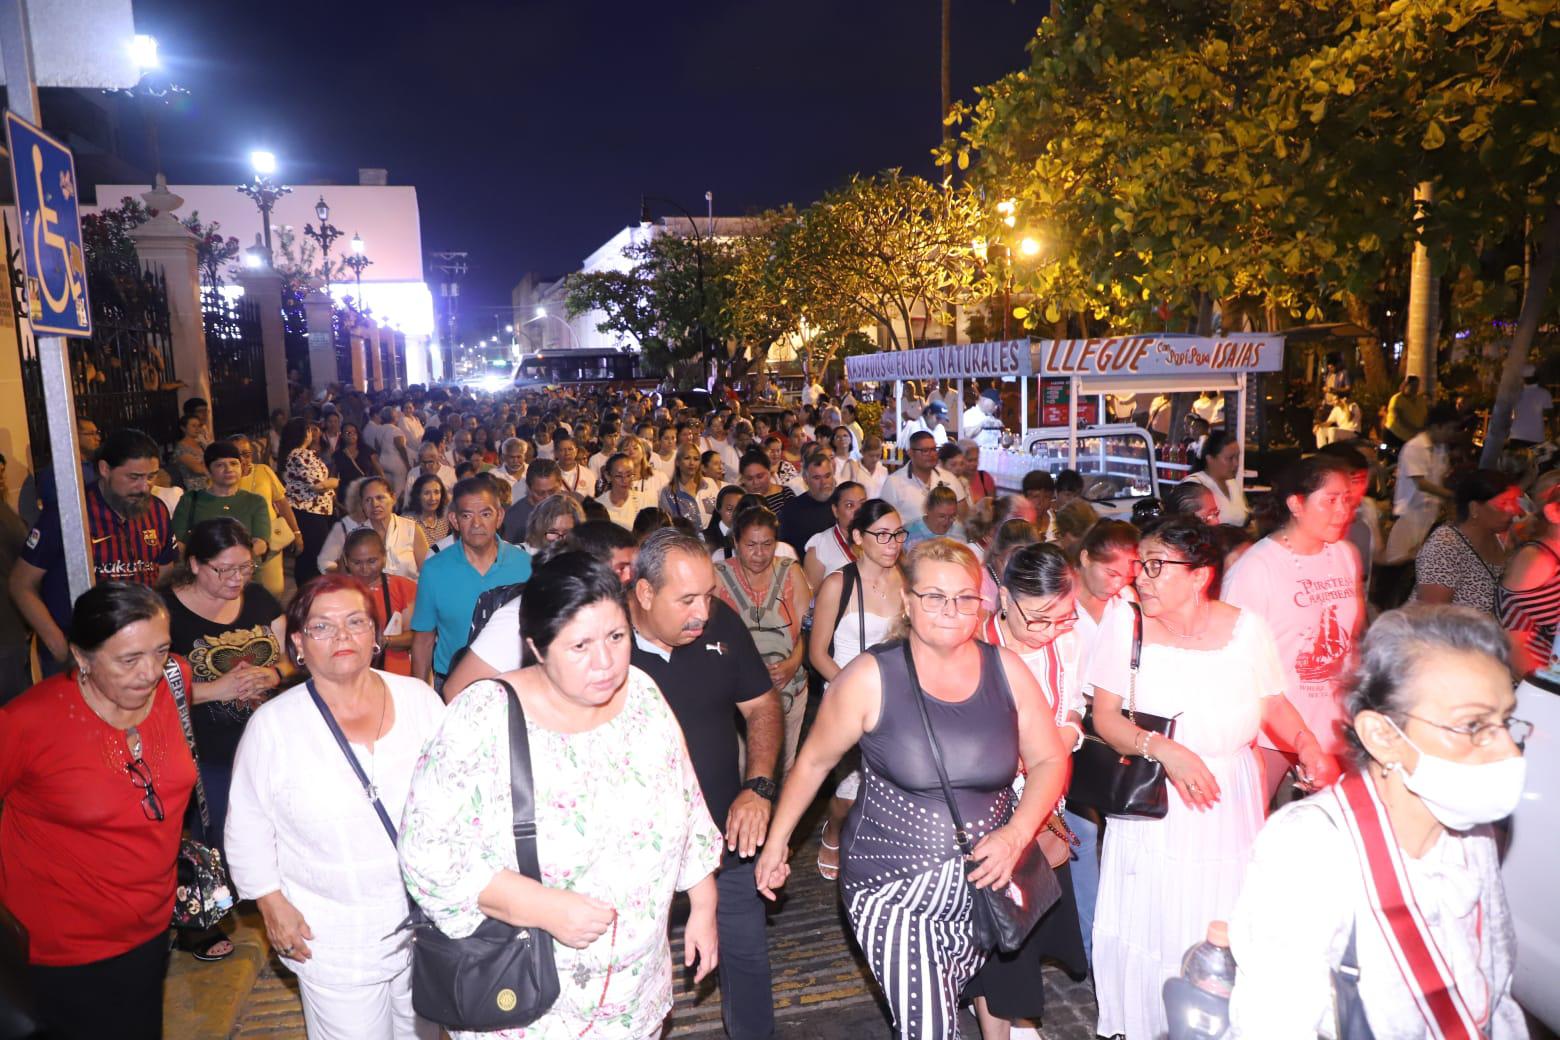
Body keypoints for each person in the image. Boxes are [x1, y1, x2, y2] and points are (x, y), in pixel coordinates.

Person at [755, 538, 1071, 1040]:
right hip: (892, 886)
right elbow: (813, 762)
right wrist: (776, 845)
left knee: (965, 1004)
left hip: (983, 887)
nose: (951, 610)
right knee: (929, 1027)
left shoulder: (1007, 670)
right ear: (907, 601)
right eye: (934, 596)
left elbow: (1050, 758)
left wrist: (1015, 836)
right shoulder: (869, 678)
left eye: (965, 597)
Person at [400, 552, 720, 1039]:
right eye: (579, 646)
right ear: (536, 646)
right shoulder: (482, 717)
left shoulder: (642, 695)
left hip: (635, 996)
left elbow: (687, 800)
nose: (605, 663)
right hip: (531, 1001)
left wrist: (703, 905)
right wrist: (542, 907)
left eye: (616, 637)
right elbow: (428, 855)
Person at [1227, 605, 1530, 1038]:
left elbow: (1495, 995)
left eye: (1505, 722)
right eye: (1473, 725)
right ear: (1383, 736)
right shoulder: (1310, 849)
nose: (1508, 751)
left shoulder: (1469, 831)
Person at [1087, 518, 1337, 1040]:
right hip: (1156, 797)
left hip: (1229, 797)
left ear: (1199, 576)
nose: (1143, 578)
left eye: (1157, 566)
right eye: (1142, 565)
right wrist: (1166, 750)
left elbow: (1272, 700)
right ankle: (1144, 1025)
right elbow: (1105, 717)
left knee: (1221, 913)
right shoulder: (1124, 621)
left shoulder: (1247, 628)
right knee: (1153, 918)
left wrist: (1307, 744)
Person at [226, 573, 445, 1040]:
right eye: (322, 627)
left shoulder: (421, 702)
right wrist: (270, 902)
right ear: (299, 644)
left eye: (355, 622)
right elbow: (246, 826)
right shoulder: (274, 727)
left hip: (425, 924)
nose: (342, 636)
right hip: (331, 930)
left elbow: (462, 800)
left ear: (375, 635)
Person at [0, 582, 196, 1039]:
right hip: (61, 950)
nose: (149, 671)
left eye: (161, 650)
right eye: (128, 659)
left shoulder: (174, 680)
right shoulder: (28, 723)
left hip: (152, 930)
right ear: (82, 657)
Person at [628, 529, 781, 1040]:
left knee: (747, 963)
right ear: (644, 593)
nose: (702, 611)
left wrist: (757, 787)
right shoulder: (602, 646)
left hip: (723, 838)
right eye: (686, 599)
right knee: (628, 984)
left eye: (708, 594)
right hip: (632, 851)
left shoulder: (722, 625)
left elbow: (761, 705)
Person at [967, 543, 1089, 1036]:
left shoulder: (1067, 642)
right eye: (1040, 619)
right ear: (1004, 597)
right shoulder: (973, 644)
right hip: (986, 808)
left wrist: (1067, 737)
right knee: (994, 932)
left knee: (1029, 919)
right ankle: (1006, 1026)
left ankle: (1021, 1021)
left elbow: (1076, 705)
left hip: (1046, 808)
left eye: (1064, 617)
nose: (1053, 630)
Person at [161, 516, 290, 959]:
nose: (237, 579)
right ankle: (202, 920)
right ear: (195, 563)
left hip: (261, 734)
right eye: (225, 570)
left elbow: (297, 654)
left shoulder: (256, 599)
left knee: (268, 819)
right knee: (209, 828)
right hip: (199, 742)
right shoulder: (165, 611)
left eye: (245, 568)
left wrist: (273, 672)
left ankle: (260, 893)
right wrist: (217, 689)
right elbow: (144, 685)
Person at [1224, 455, 1360, 803]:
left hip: (1334, 722)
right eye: (1330, 500)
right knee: (1253, 821)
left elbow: (1352, 638)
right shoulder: (1256, 568)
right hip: (1273, 725)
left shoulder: (1345, 555)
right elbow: (1235, 661)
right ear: (1296, 504)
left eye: (1347, 499)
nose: (1342, 510)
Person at [11, 428, 178, 678]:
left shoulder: (157, 511)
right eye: (133, 477)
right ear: (104, 469)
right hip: (78, 652)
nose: (144, 487)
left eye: (151, 476)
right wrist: (59, 647)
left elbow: (165, 574)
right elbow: (21, 584)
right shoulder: (67, 513)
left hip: (138, 649)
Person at [409, 477, 532, 692]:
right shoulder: (434, 570)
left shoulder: (526, 565)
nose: (477, 524)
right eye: (467, 516)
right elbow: (423, 641)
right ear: (454, 520)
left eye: (485, 514)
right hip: (451, 684)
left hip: (514, 683)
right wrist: (419, 698)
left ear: (500, 516)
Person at [714, 507, 813, 773]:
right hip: (736, 695)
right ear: (735, 542)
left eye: (767, 544)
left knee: (784, 766)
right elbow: (707, 637)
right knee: (742, 767)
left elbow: (808, 629)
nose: (759, 553)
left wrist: (793, 662)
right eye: (751, 545)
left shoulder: (790, 572)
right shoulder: (717, 576)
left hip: (789, 687)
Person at [1412, 469, 1521, 614]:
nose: (1513, 510)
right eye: (1503, 504)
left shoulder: (1498, 540)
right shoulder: (1445, 546)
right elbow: (1431, 615)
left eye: (1514, 503)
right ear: (1474, 508)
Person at [1382, 403, 1460, 567]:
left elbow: (1439, 479)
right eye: (1449, 429)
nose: (1452, 434)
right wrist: (1452, 495)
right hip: (1408, 516)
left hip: (1428, 516)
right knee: (1399, 565)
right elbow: (1421, 483)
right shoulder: (1416, 447)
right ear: (1435, 426)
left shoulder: (1440, 449)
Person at [1498, 475, 1560, 677]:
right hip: (1538, 683)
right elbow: (1514, 642)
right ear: (1553, 513)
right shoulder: (1537, 561)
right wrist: (1543, 692)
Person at [171, 440, 273, 559]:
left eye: (234, 463)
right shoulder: (190, 500)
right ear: (208, 471)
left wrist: (232, 563)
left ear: (241, 467)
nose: (229, 469)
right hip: (203, 572)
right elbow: (178, 543)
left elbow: (260, 544)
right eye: (220, 465)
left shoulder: (255, 501)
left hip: (244, 573)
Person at [318, 476, 430, 580]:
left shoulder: (411, 529)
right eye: (368, 500)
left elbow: (428, 572)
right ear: (362, 505)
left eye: (380, 498)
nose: (375, 504)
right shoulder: (355, 535)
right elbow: (342, 575)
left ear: (393, 498)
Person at [340, 527, 417, 676]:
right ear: (346, 561)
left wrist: (384, 640)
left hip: (395, 676)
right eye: (357, 562)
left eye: (372, 561)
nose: (365, 569)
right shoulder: (336, 593)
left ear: (384, 556)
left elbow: (417, 636)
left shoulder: (403, 587)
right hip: (349, 675)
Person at [232, 434, 301, 599]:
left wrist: (297, 533)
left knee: (275, 589)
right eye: (236, 454)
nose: (242, 459)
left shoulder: (263, 471)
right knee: (247, 593)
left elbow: (282, 503)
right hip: (241, 545)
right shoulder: (225, 479)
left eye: (246, 453)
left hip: (271, 541)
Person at [281, 418, 340, 587]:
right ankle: (311, 593)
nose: (312, 434)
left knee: (309, 557)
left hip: (311, 512)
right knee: (313, 557)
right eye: (309, 430)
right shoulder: (300, 454)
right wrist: (334, 482)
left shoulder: (298, 454)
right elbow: (318, 485)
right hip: (309, 513)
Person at [883, 430, 968, 527]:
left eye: (933, 449)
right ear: (910, 453)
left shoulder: (949, 478)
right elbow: (885, 520)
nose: (931, 454)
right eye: (925, 451)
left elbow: (963, 516)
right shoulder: (894, 482)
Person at [801, 481, 866, 589]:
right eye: (850, 505)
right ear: (835, 510)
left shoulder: (877, 538)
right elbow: (812, 598)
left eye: (863, 504)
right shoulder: (820, 545)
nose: (858, 511)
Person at [778, 450, 838, 557]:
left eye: (827, 476)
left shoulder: (844, 501)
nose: (824, 483)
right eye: (817, 478)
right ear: (805, 479)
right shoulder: (791, 511)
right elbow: (786, 550)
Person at [1184, 430, 1249, 527]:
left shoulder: (1232, 484)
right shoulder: (1195, 485)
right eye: (1230, 458)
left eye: (1237, 457)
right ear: (1210, 459)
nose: (1236, 464)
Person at [660, 442, 721, 531]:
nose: (692, 463)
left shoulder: (710, 484)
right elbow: (667, 527)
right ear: (677, 462)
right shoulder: (668, 492)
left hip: (712, 541)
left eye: (696, 459)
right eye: (687, 458)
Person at [1510, 363, 1554, 447]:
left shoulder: (1516, 394)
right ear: (1537, 377)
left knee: (1515, 460)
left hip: (1516, 436)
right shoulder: (1544, 393)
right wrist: (1554, 436)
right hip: (1536, 437)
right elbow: (1550, 416)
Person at [403, 473, 451, 549]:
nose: (433, 498)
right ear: (418, 496)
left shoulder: (444, 518)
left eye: (436, 492)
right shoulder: (407, 521)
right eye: (427, 493)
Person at [739, 449, 794, 514]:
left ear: (770, 472)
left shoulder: (786, 494)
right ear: (742, 478)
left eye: (760, 476)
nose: (755, 482)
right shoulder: (739, 500)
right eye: (749, 478)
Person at [170, 413, 211, 491]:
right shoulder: (181, 448)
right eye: (193, 426)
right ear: (183, 428)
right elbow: (198, 469)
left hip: (210, 483)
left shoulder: (201, 444)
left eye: (199, 426)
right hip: (195, 488)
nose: (197, 429)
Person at [1385, 375, 1429, 448]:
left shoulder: (1420, 400)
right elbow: (1400, 418)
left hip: (1412, 438)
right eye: (1413, 385)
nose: (1415, 388)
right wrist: (1415, 429)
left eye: (1417, 386)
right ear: (1405, 385)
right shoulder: (1397, 399)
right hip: (1396, 435)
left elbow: (1425, 415)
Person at [1021, 470, 1056, 535]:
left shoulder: (1058, 523)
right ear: (1025, 497)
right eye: (1035, 496)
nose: (1041, 502)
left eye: (1046, 496)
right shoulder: (1017, 524)